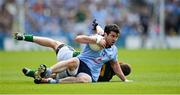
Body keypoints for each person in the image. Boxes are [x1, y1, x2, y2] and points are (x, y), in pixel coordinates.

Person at [33, 23, 132, 84]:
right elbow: (77, 38)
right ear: (105, 34)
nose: (115, 39)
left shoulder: (113, 50)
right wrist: (95, 40)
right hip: (81, 62)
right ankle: (47, 72)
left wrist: (124, 79)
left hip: (90, 73)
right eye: (113, 36)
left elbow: (115, 65)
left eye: (116, 37)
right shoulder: (97, 38)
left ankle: (51, 81)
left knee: (84, 80)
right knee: (73, 61)